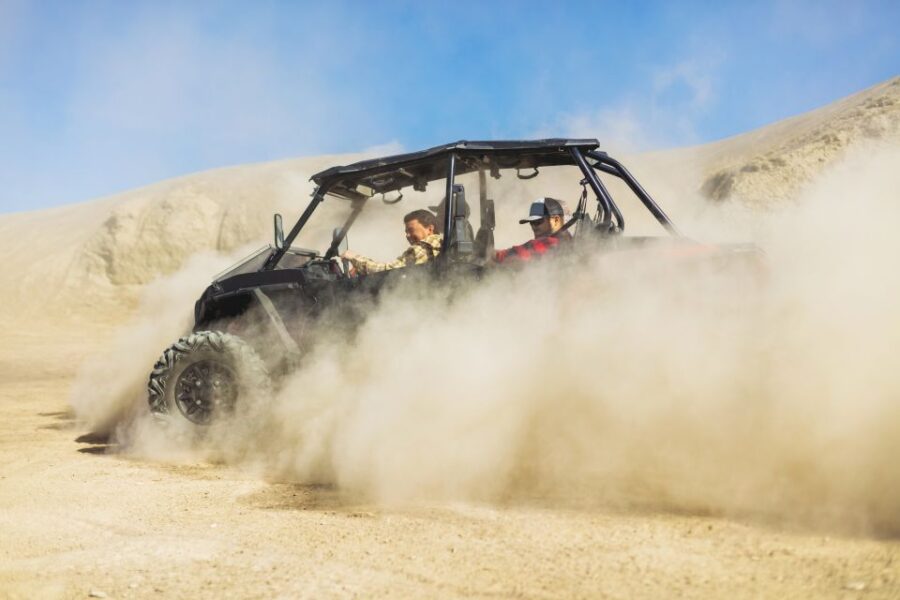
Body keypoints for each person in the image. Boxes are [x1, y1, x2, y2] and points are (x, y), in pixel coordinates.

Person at [341, 209, 443, 274]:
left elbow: (389, 272)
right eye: (406, 231)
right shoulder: (441, 243)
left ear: (430, 229)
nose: (407, 235)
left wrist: (355, 258)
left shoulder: (424, 247)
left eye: (411, 230)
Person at [494, 197, 572, 263]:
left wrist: (489, 255)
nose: (534, 227)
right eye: (532, 223)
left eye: (538, 221)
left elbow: (513, 256)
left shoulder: (550, 242)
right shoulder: (568, 243)